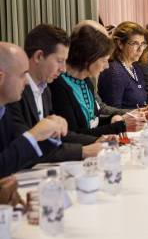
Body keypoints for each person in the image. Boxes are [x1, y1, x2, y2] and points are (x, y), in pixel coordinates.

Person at [7, 24, 104, 163]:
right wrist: (83, 151)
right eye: (60, 61)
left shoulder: (45, 89)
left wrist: (96, 140)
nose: (63, 69)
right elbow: (28, 146)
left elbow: (57, 135)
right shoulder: (14, 93)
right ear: (39, 56)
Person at [0, 42, 68, 178]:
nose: (26, 82)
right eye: (22, 75)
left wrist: (52, 132)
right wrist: (34, 134)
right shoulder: (11, 106)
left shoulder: (4, 109)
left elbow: (14, 156)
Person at [49, 24, 129, 137]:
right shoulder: (58, 86)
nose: (107, 66)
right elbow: (72, 134)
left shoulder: (86, 81)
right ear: (88, 58)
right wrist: (118, 126)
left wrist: (112, 120)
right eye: (104, 60)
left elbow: (92, 124)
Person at [98, 21, 148, 109]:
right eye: (134, 43)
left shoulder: (136, 67)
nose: (140, 49)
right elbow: (113, 112)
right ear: (120, 44)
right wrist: (144, 111)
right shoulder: (114, 71)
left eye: (142, 44)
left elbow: (140, 102)